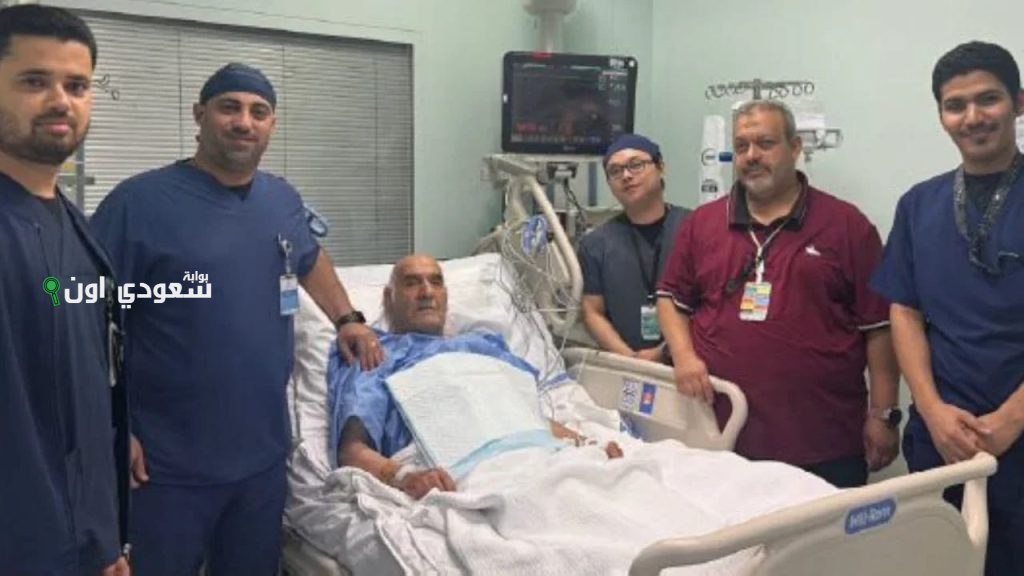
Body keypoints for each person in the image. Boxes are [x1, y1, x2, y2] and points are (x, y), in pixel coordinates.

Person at [89, 63, 382, 575]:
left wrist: (347, 317)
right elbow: (84, 316)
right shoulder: (138, 204)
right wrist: (112, 426)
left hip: (260, 460)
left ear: (272, 124)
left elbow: (309, 258)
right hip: (162, 465)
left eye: (258, 112)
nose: (244, 122)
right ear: (199, 115)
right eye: (230, 108)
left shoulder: (280, 199)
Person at [655, 100, 901, 488]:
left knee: (827, 529)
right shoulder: (702, 224)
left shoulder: (846, 226)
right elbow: (671, 298)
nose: (751, 155)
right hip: (721, 437)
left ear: (795, 147)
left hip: (824, 440)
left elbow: (880, 327)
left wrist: (883, 414)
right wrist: (683, 357)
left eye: (765, 143)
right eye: (741, 146)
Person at [871, 41, 1024, 576]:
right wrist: (932, 410)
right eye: (955, 105)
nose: (972, 117)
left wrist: (1011, 419)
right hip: (943, 438)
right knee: (941, 562)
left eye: (988, 99)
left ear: (1019, 102)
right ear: (941, 115)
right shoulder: (919, 205)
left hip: (1017, 427)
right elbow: (905, 311)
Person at [0, 5, 129, 575]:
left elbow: (82, 402)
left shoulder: (74, 229)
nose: (61, 101)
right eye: (34, 82)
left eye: (76, 86)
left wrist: (104, 542)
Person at [331, 253, 622, 499]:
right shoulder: (376, 354)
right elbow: (352, 451)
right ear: (388, 297)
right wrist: (405, 477)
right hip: (459, 472)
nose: (427, 292)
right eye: (411, 283)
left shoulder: (483, 345)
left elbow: (523, 416)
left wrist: (584, 444)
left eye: (435, 282)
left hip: (535, 454)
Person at [578, 134, 689, 362]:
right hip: (628, 365)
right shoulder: (596, 244)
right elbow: (592, 311)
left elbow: (713, 304)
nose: (626, 176)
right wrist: (630, 360)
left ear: (660, 167)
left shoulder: (695, 228)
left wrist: (665, 352)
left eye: (636, 165)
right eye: (615, 171)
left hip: (691, 360)